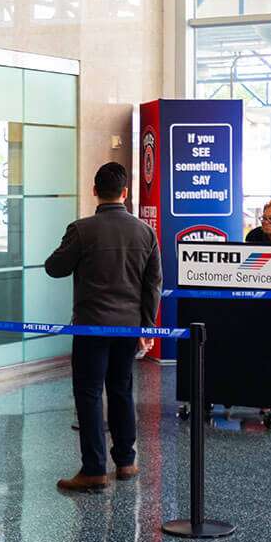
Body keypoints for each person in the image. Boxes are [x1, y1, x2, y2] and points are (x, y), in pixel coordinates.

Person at [44, 162, 162, 493]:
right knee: (122, 390)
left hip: (91, 327)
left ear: (94, 190)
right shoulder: (145, 232)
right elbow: (153, 284)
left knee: (89, 393)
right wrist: (147, 327)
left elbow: (54, 268)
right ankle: (126, 461)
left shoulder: (82, 229)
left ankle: (94, 469)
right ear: (125, 193)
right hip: (127, 327)